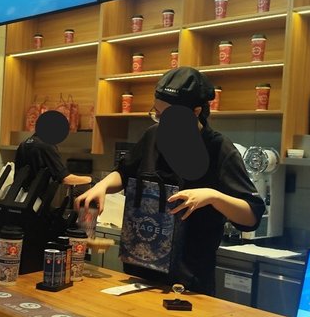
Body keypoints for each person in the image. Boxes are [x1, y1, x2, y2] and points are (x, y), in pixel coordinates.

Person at [75, 66, 265, 294]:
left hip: (188, 282)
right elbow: (124, 173)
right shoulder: (153, 136)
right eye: (157, 113)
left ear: (196, 112)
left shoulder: (219, 149)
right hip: (138, 272)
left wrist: (213, 197)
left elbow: (251, 216)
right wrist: (102, 186)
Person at [15, 110, 92, 189]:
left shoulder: (24, 144)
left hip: (17, 194)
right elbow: (64, 178)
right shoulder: (46, 145)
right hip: (36, 195)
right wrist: (91, 179)